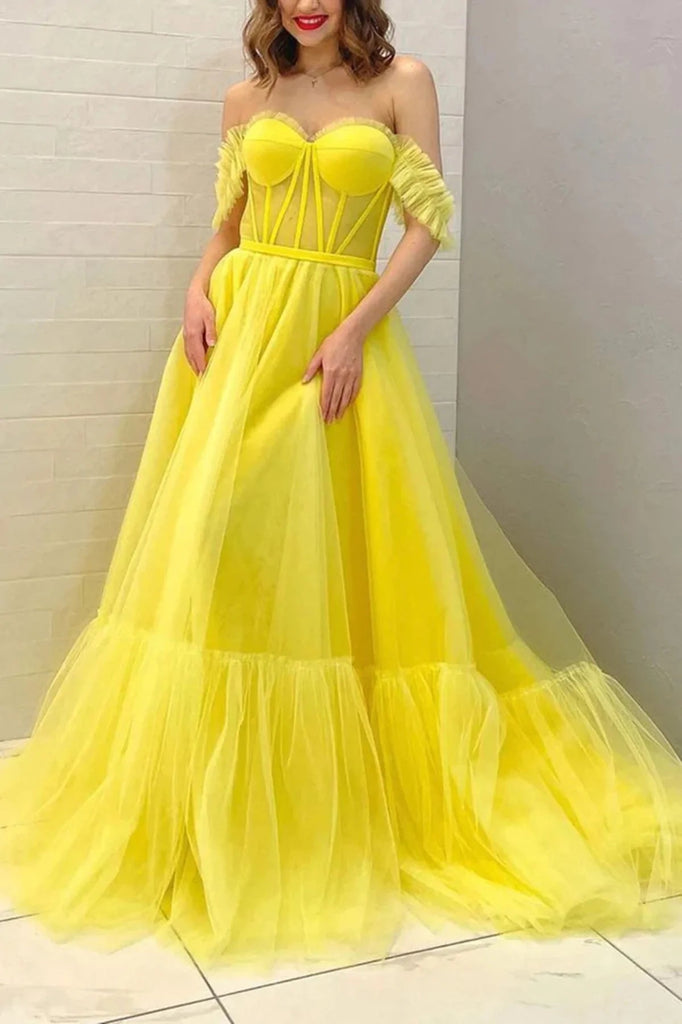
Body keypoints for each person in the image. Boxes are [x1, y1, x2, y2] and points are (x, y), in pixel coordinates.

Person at [1, 0, 682, 974]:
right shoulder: (249, 95)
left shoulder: (402, 84)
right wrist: (197, 289)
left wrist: (356, 328)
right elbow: (228, 225)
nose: (307, 3)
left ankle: (343, 783)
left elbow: (424, 223)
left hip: (337, 337)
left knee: (349, 548)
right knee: (217, 536)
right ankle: (211, 791)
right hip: (240, 334)